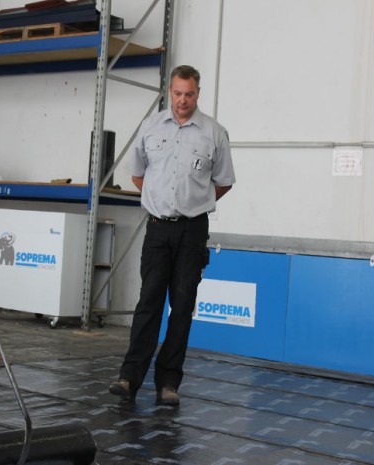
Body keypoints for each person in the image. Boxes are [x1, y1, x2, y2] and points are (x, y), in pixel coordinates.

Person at [109, 65, 235, 406]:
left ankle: (168, 384)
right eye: (178, 94)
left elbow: (223, 182)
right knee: (148, 303)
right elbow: (138, 176)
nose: (183, 100)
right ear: (170, 92)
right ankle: (129, 378)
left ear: (198, 93)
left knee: (181, 308)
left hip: (192, 231)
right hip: (157, 229)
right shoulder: (150, 128)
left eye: (189, 94)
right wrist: (160, 201)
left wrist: (195, 202)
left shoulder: (214, 133)